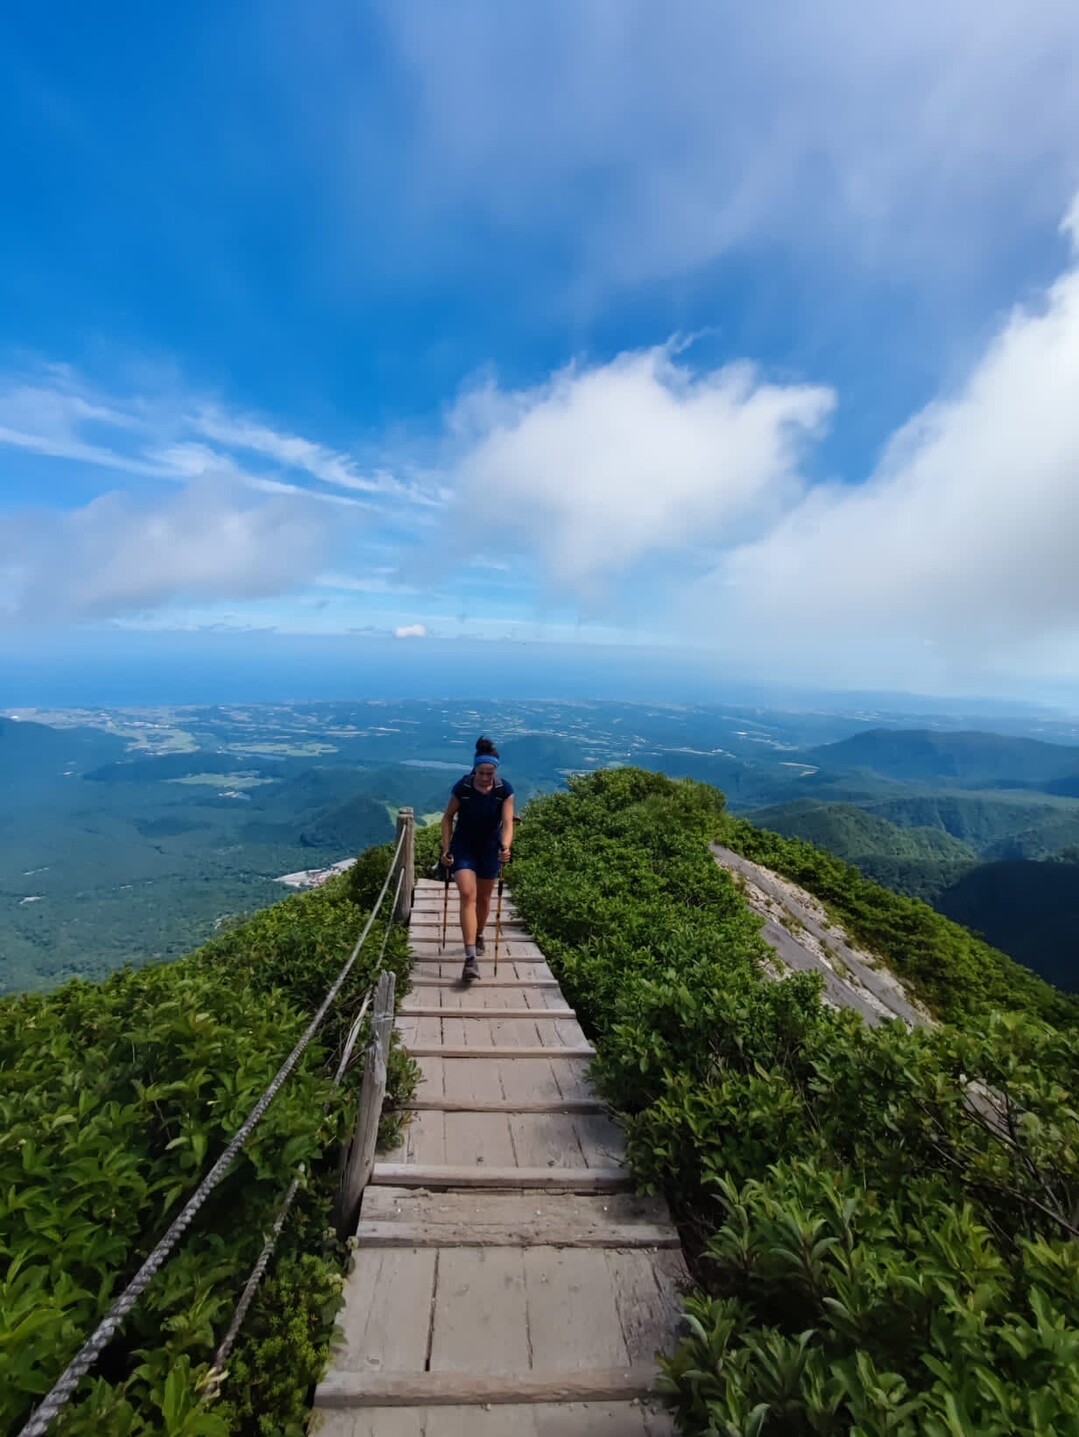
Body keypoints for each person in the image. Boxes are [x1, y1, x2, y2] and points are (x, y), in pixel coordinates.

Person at [440, 736, 514, 982]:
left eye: (489, 772)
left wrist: (506, 846)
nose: (485, 777)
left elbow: (507, 823)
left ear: (495, 770)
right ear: (475, 769)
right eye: (481, 772)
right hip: (463, 847)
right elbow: (447, 818)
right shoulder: (463, 788)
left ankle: (479, 934)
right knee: (468, 895)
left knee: (483, 898)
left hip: (489, 849)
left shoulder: (505, 791)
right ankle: (470, 958)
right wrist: (447, 848)